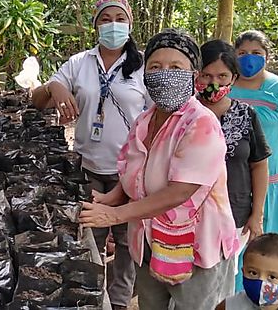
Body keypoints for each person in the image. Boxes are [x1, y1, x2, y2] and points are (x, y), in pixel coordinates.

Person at [79, 29, 238, 310]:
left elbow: (180, 191)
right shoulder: (144, 121)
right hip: (149, 241)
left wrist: (114, 215)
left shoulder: (201, 122)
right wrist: (110, 198)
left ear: (194, 76)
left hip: (197, 246)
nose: (164, 74)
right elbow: (133, 173)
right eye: (155, 67)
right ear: (145, 75)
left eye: (176, 67)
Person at [31, 0, 150, 310]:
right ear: (96, 25)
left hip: (131, 171)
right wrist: (55, 87)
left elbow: (157, 118)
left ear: (130, 24)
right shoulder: (79, 62)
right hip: (87, 167)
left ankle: (121, 301)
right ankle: (95, 298)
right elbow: (37, 100)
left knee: (126, 241)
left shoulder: (143, 66)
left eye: (119, 18)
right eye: (106, 19)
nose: (113, 25)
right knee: (89, 239)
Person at [196, 39, 271, 292]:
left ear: (234, 78)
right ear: (195, 75)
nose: (213, 83)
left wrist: (256, 214)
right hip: (187, 216)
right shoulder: (182, 114)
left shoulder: (246, 115)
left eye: (222, 75)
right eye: (206, 75)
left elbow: (259, 166)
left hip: (234, 213)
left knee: (222, 282)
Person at [229, 30, 278, 237]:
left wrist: (270, 142)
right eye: (242, 52)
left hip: (269, 175)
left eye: (256, 52)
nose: (249, 57)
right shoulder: (224, 85)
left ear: (267, 56)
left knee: (263, 239)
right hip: (232, 177)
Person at [215, 233, 278, 310]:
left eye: (272, 277)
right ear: (243, 272)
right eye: (253, 273)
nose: (261, 281)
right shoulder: (229, 306)